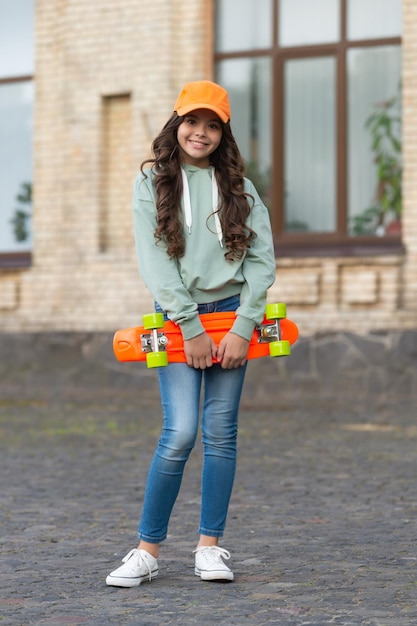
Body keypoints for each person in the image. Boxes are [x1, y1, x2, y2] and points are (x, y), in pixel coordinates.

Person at [106, 80, 276, 587]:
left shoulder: (241, 190)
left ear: (224, 133)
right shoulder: (153, 182)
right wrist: (190, 326)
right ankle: (147, 549)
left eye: (212, 124)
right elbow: (156, 265)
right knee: (180, 432)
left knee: (221, 434)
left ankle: (210, 547)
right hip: (178, 319)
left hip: (232, 318)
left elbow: (262, 262)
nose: (200, 132)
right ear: (175, 124)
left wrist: (244, 326)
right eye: (192, 121)